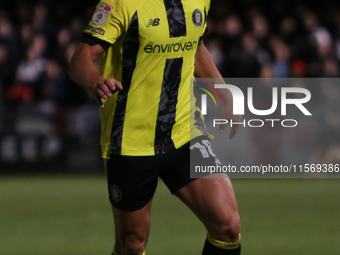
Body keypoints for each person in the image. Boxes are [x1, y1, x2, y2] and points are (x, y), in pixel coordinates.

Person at [69, 0, 242, 254]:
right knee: (132, 244)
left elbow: (195, 47)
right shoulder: (121, 3)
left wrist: (224, 92)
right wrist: (96, 81)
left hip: (184, 132)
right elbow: (80, 60)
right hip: (130, 140)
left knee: (228, 226)